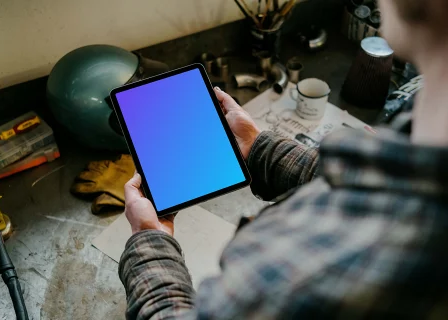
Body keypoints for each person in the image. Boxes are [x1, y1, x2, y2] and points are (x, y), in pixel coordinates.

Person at [119, 0, 448, 318]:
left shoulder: (293, 278)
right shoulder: (424, 122)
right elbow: (376, 190)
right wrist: (258, 146)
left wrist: (150, 241)